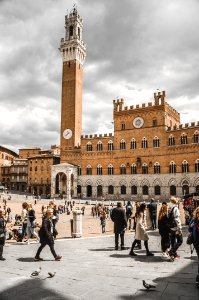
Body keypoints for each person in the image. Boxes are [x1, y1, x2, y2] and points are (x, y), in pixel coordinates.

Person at [168, 197, 183, 261]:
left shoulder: (170, 208)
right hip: (176, 227)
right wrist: (179, 228)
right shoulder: (175, 208)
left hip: (171, 227)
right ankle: (171, 251)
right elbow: (177, 219)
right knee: (180, 241)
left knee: (173, 241)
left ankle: (174, 255)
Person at [188, 207, 199, 284]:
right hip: (197, 242)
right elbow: (189, 229)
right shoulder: (194, 220)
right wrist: (191, 226)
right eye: (198, 213)